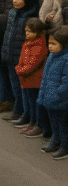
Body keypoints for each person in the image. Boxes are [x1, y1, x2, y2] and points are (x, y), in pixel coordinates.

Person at [0, 0, 40, 121]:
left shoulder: (31, 17)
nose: (15, 1)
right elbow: (8, 34)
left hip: (23, 58)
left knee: (24, 89)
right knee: (15, 86)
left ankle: (25, 114)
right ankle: (18, 110)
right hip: (10, 54)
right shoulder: (12, 13)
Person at [38, 25, 68, 159]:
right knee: (53, 123)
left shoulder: (66, 59)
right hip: (50, 98)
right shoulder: (52, 56)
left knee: (63, 124)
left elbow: (66, 83)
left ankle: (64, 146)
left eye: (53, 44)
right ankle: (55, 140)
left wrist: (57, 96)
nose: (50, 46)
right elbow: (45, 78)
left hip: (60, 100)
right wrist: (43, 94)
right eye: (49, 43)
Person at [14, 17, 48, 137]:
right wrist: (19, 68)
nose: (27, 33)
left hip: (35, 81)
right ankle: (32, 122)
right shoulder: (27, 43)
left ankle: (38, 125)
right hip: (26, 79)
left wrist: (20, 70)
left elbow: (33, 64)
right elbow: (22, 60)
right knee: (29, 103)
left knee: (35, 104)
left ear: (38, 32)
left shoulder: (40, 46)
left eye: (30, 31)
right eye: (26, 31)